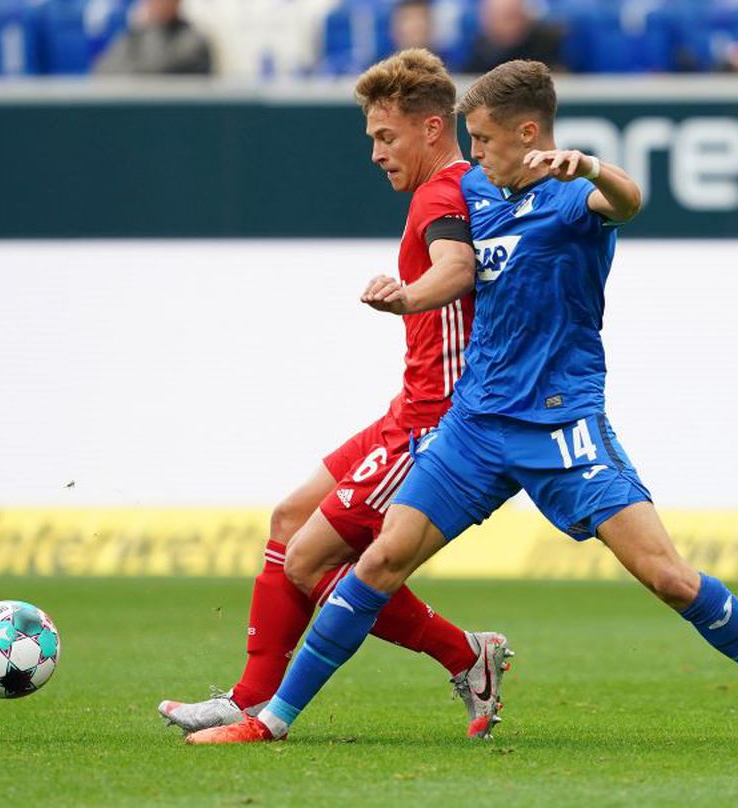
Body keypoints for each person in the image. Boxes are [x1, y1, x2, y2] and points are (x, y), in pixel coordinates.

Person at [186, 59, 738, 747]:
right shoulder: (478, 199)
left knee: (670, 578)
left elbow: (630, 200)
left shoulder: (572, 200)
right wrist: (407, 299)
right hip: (475, 427)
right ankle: (269, 719)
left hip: (561, 425)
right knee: (377, 564)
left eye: (484, 140)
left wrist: (590, 167)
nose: (474, 155)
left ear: (528, 135)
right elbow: (454, 271)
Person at [159, 48, 512, 740]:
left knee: (310, 559)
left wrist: (408, 294)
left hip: (437, 426)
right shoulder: (455, 187)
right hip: (405, 411)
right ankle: (250, 695)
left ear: (433, 128)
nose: (377, 153)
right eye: (372, 139)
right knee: (290, 517)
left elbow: (458, 265)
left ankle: (463, 654)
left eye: (387, 137)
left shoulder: (443, 194)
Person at [93, 0, 212, 76]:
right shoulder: (134, 35)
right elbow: (103, 70)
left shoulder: (193, 41)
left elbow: (155, 75)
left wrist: (153, 26)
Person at [462, 0, 564, 74]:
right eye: (493, 19)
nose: (499, 26)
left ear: (523, 17)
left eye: (508, 18)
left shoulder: (546, 46)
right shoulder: (479, 50)